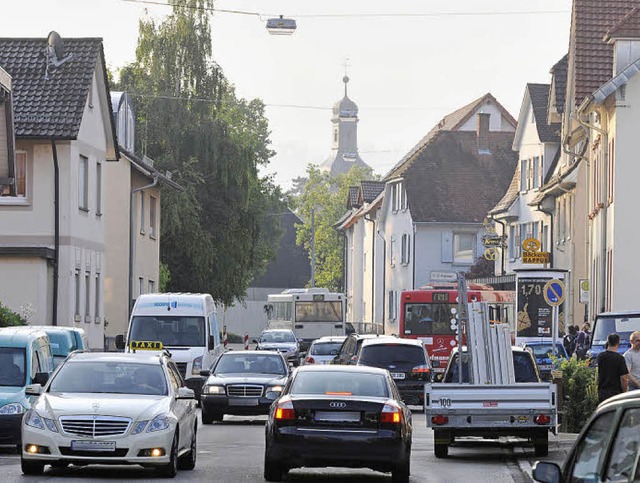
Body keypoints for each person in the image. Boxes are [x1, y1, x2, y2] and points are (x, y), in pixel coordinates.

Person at [596, 333, 629, 403]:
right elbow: (624, 378)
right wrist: (624, 392)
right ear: (618, 343)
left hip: (602, 392)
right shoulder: (620, 358)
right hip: (616, 393)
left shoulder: (600, 357)